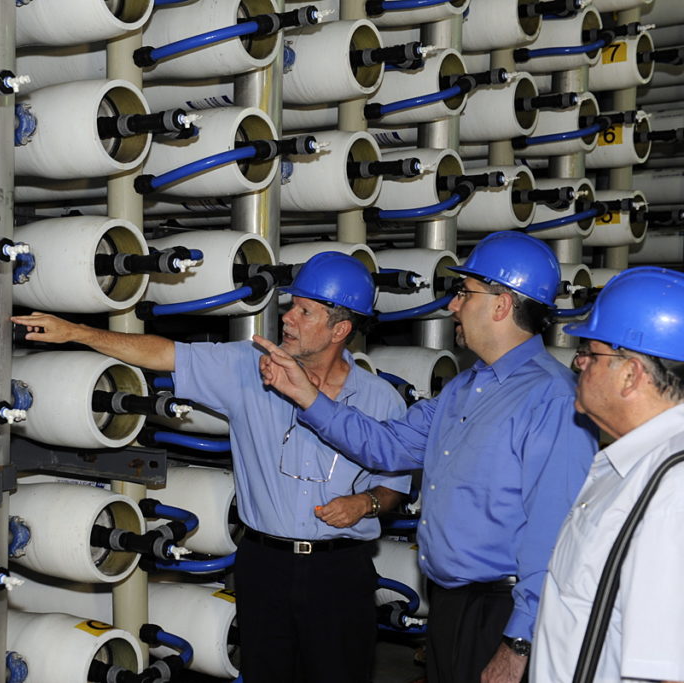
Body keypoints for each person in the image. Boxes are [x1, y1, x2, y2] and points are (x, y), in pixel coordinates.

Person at [13, 251, 410, 683]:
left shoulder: (380, 400)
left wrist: (366, 502)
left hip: (340, 569)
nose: (288, 318)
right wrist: (74, 331)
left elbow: (394, 486)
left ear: (341, 329)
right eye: (291, 305)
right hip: (266, 565)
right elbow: (163, 354)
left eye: (304, 310)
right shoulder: (246, 367)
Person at [253, 232, 598, 683]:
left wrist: (519, 644)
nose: (453, 306)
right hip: (452, 605)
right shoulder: (464, 388)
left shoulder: (550, 399)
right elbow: (385, 444)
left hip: (503, 613)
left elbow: (554, 538)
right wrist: (307, 395)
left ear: (501, 304)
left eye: (465, 293)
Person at [531, 267, 684, 683]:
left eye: (590, 353)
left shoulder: (673, 493)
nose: (578, 363)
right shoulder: (632, 464)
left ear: (632, 373)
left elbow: (665, 671)